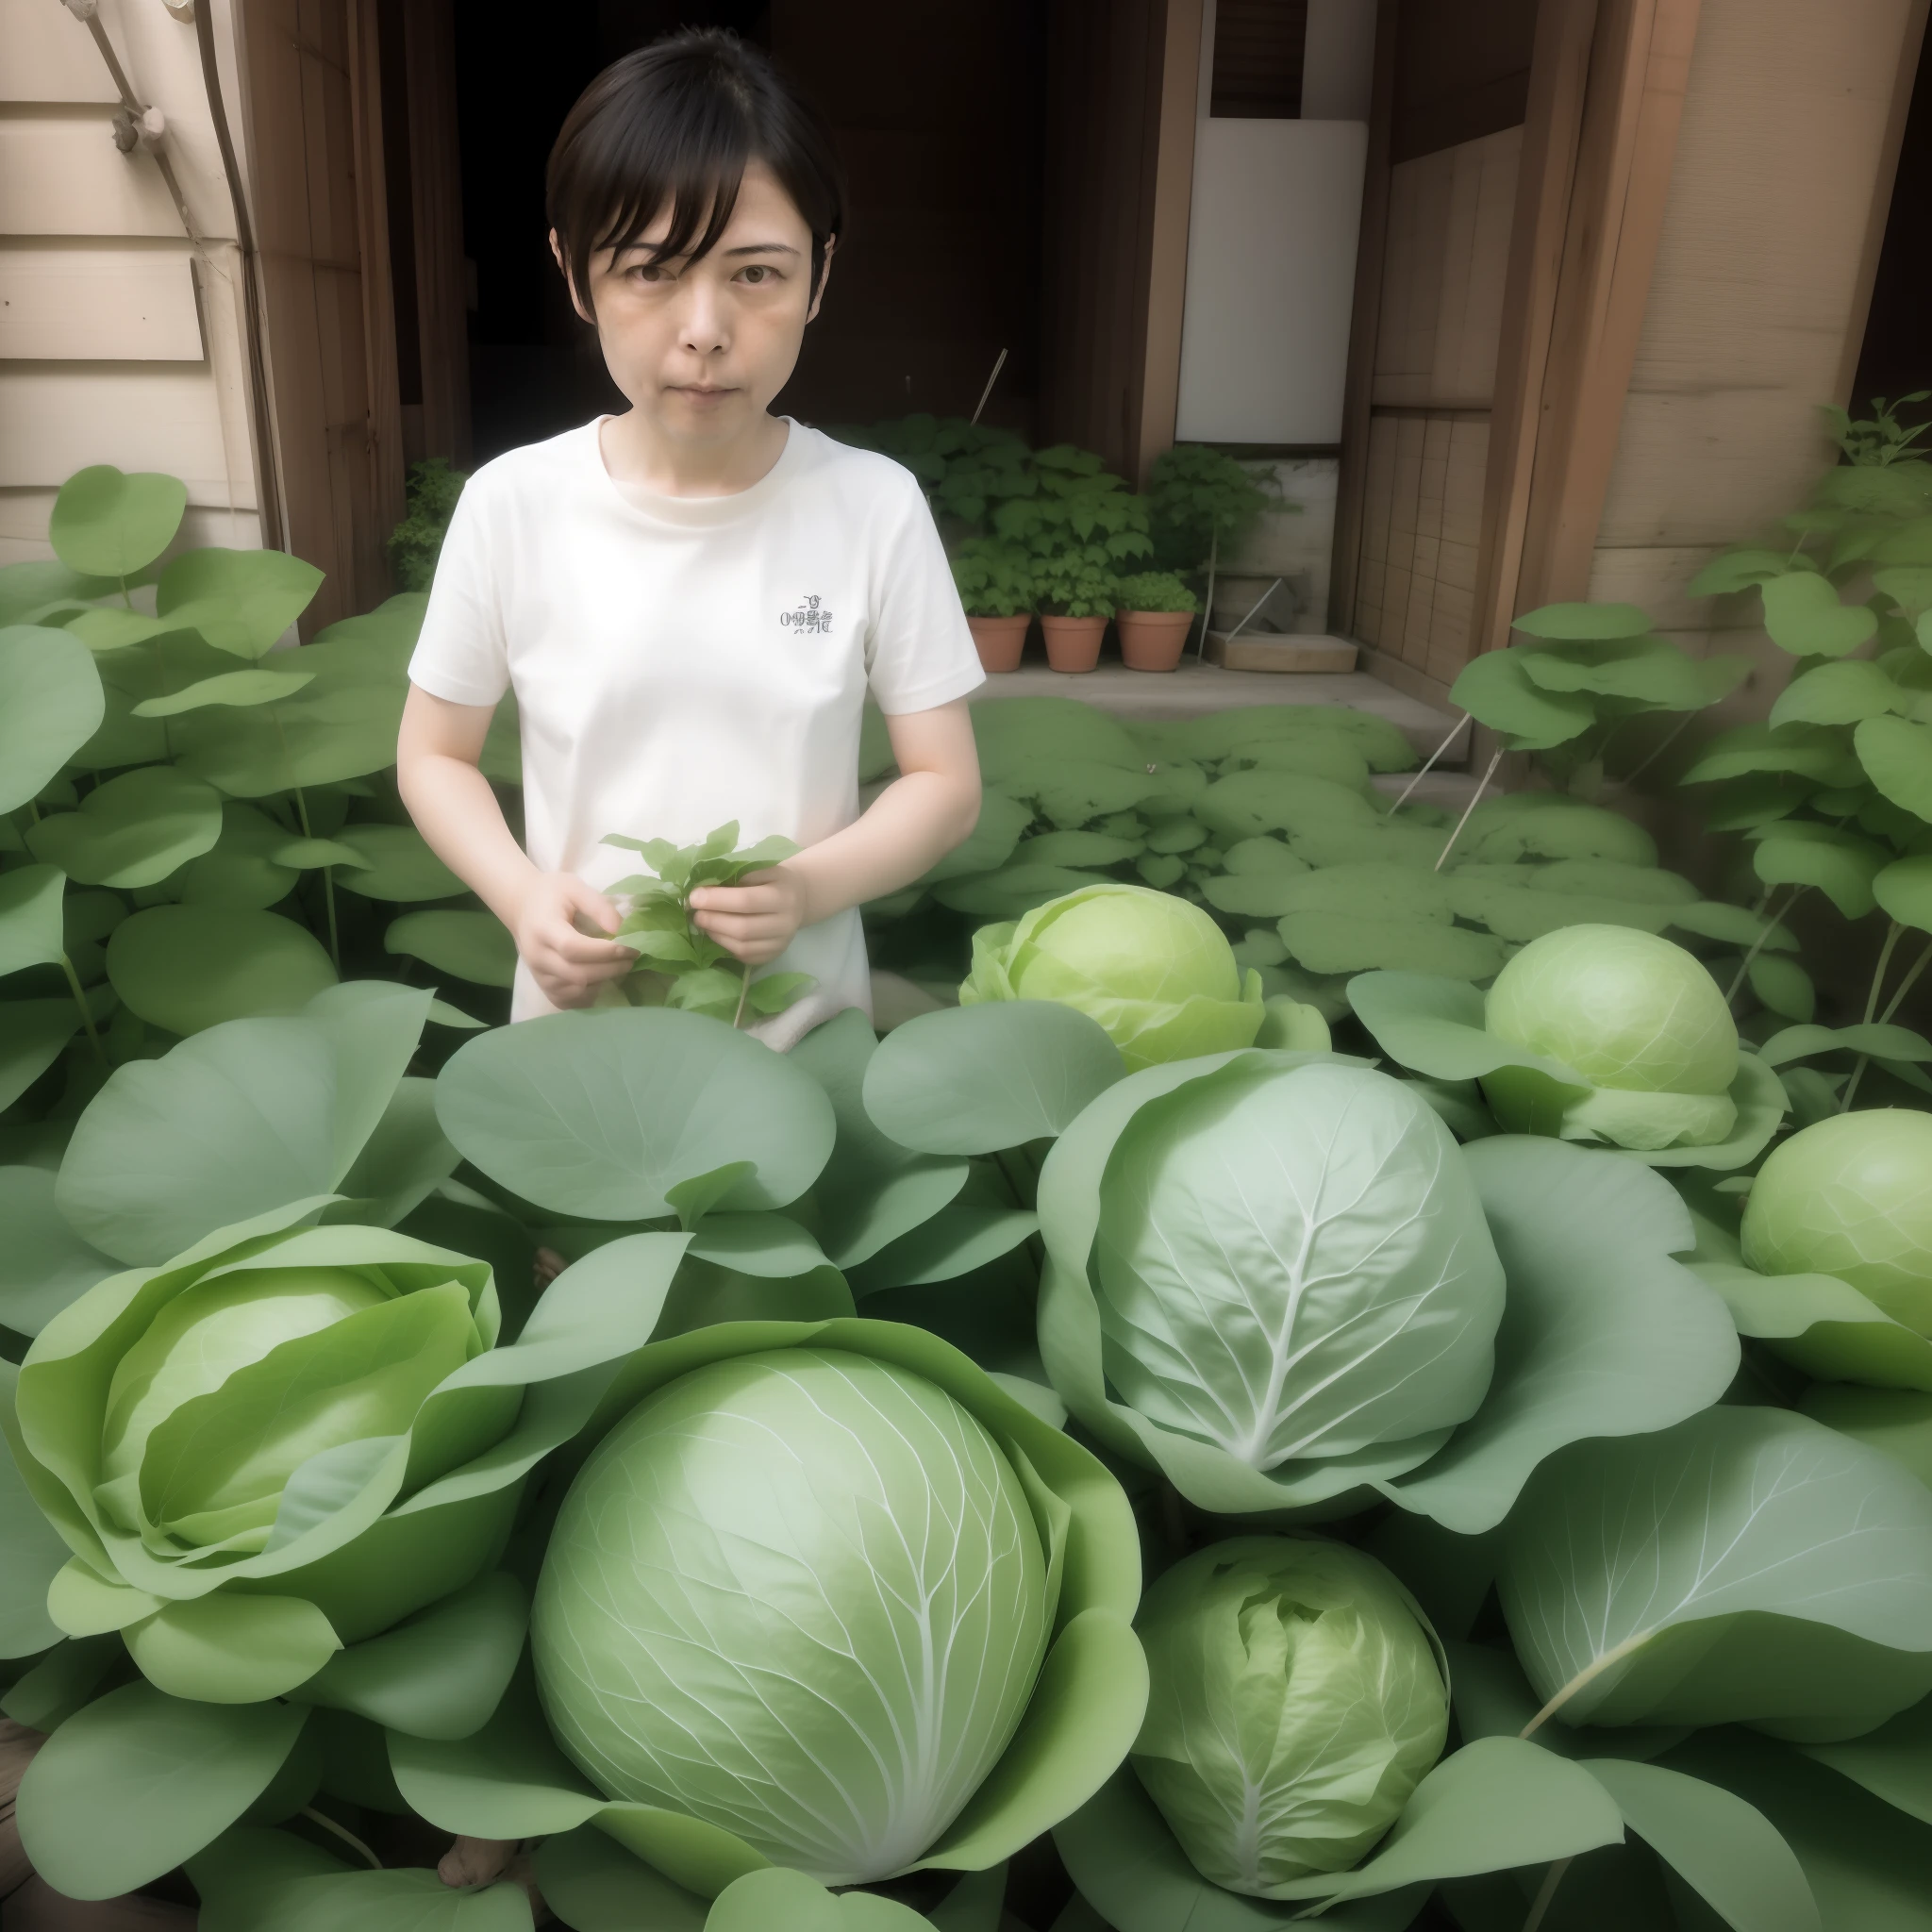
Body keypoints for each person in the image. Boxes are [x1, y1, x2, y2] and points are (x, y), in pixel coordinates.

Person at [395, 27, 985, 1057]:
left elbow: (944, 782)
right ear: (574, 276)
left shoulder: (871, 505)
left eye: (755, 274)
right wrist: (519, 892)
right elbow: (433, 754)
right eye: (650, 271)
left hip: (809, 1046)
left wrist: (805, 887)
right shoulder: (513, 506)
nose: (705, 327)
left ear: (820, 273)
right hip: (580, 1042)